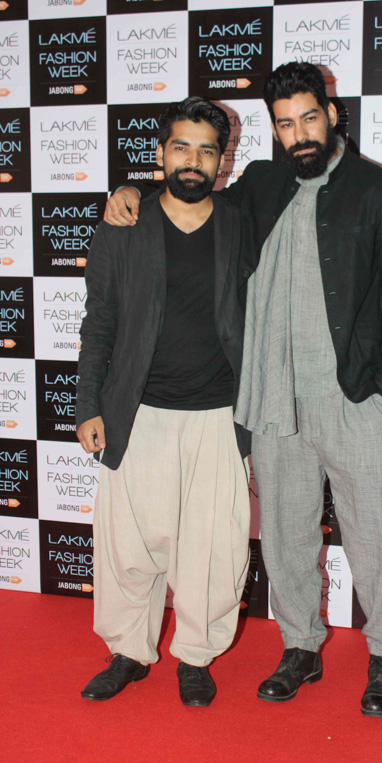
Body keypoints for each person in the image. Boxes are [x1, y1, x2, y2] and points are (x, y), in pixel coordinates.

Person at [104, 62, 382, 717]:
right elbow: (190, 199)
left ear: (331, 115)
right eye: (284, 124)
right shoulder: (260, 182)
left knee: (373, 537)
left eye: (309, 117)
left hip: (353, 398)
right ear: (274, 131)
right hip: (274, 400)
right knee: (284, 538)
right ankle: (301, 647)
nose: (299, 133)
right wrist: (130, 189)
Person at [76, 98, 250, 707]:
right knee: (127, 546)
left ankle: (195, 657)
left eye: (207, 150)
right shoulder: (124, 225)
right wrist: (87, 404)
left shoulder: (241, 223)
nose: (193, 161)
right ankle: (128, 651)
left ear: (222, 161)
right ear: (160, 154)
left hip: (218, 415)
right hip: (138, 411)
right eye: (182, 147)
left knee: (212, 548)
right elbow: (99, 320)